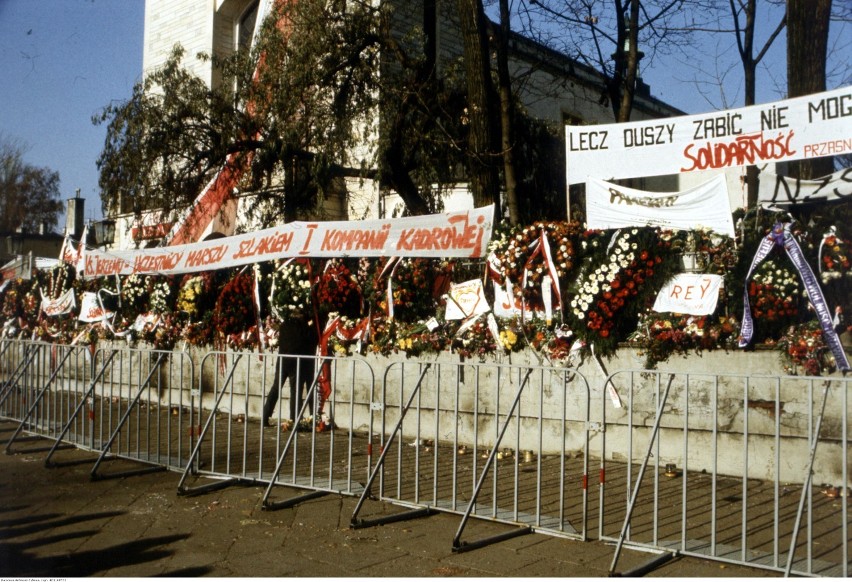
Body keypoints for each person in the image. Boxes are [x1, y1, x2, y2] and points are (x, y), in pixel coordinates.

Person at [262, 319, 319, 428]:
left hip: (283, 359)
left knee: (276, 387)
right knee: (295, 391)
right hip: (295, 362)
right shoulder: (303, 326)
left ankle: (265, 415)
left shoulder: (284, 325)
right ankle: (294, 420)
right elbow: (308, 340)